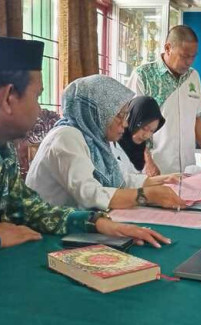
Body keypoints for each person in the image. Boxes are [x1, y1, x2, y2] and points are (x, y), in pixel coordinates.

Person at [0, 36, 172, 249]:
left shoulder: (4, 150)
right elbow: (89, 195)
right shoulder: (65, 136)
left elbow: (28, 208)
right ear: (9, 97)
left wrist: (94, 223)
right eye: (37, 96)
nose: (39, 110)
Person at [26, 74, 186, 211]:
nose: (124, 124)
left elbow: (118, 180)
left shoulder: (94, 138)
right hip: (48, 231)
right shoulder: (66, 137)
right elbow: (90, 195)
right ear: (96, 113)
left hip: (77, 224)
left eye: (126, 116)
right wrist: (146, 195)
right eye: (119, 116)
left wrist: (162, 180)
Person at [127, 25, 201, 174]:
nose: (189, 62)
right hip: (155, 168)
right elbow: (131, 125)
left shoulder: (193, 76)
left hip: (187, 169)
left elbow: (197, 118)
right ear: (168, 48)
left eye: (193, 56)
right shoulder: (144, 76)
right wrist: (147, 161)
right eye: (185, 56)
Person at [117, 96, 165, 174]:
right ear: (133, 120)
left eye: (152, 131)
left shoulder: (140, 150)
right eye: (144, 128)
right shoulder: (113, 146)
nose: (147, 135)